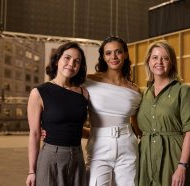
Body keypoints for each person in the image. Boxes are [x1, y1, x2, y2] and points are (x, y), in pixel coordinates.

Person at [26, 42, 89, 186]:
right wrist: (31, 171)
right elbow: (35, 133)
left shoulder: (84, 93)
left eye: (77, 61)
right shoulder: (39, 93)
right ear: (57, 60)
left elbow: (76, 128)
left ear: (80, 67)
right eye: (67, 58)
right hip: (51, 157)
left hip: (78, 157)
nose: (71, 63)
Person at [137, 40, 190, 186]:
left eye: (165, 58)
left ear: (171, 63)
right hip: (145, 155)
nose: (159, 62)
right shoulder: (143, 94)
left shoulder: (184, 91)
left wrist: (182, 166)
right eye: (155, 57)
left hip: (172, 156)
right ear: (148, 61)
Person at [85, 36, 142, 186]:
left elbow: (137, 126)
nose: (114, 57)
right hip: (98, 145)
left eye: (118, 52)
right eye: (108, 53)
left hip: (128, 144)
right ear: (103, 57)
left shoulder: (135, 90)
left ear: (126, 54)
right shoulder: (89, 81)